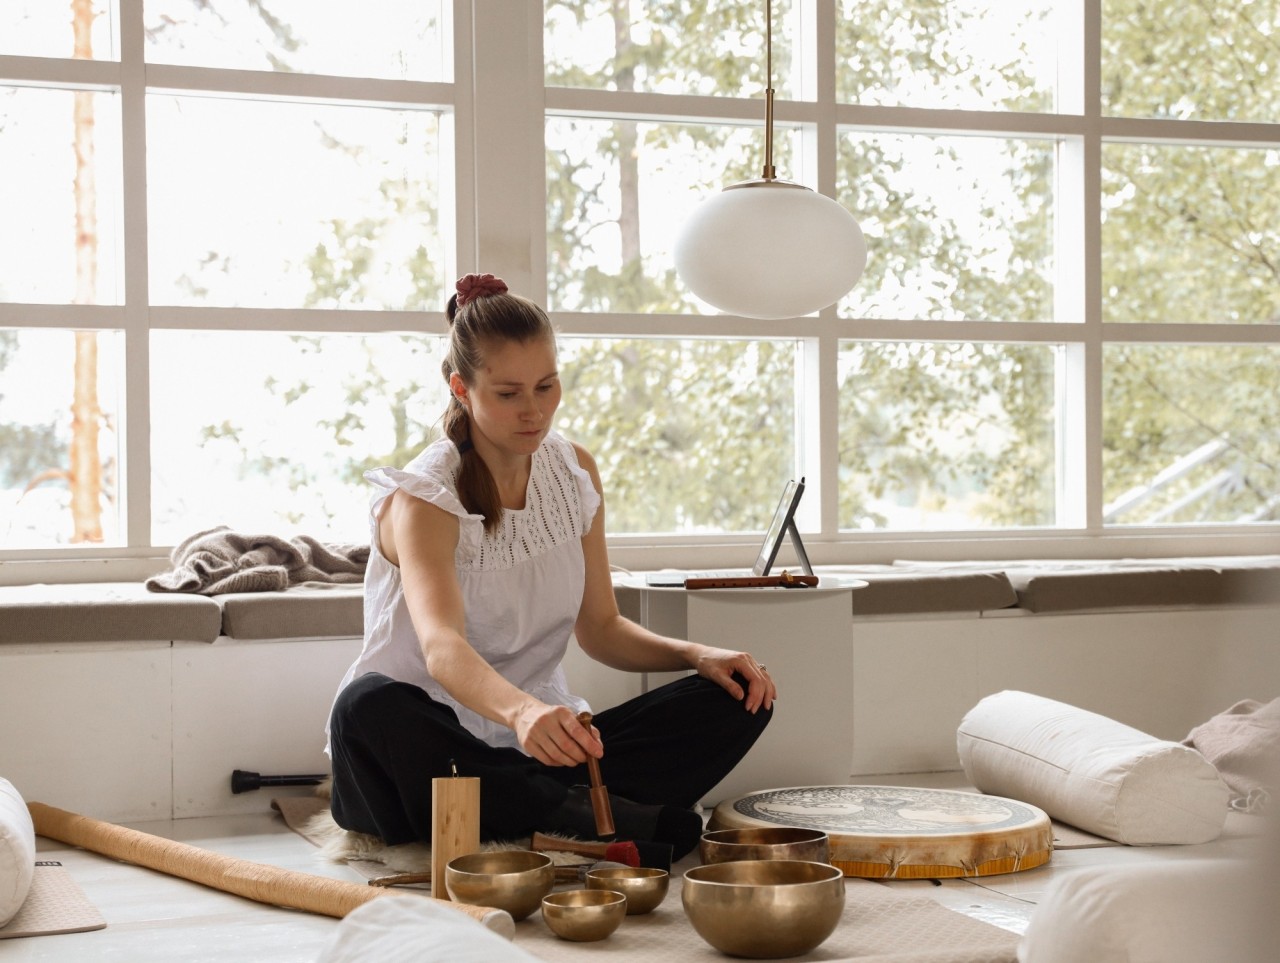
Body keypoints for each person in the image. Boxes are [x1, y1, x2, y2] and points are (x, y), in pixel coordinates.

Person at [325, 273, 775, 860]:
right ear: (461, 388)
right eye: (508, 394)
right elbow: (442, 648)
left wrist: (697, 655)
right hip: (422, 751)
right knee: (365, 706)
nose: (534, 411)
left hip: (533, 745)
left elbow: (602, 628)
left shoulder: (573, 471)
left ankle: (549, 805)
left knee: (738, 696)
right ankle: (577, 809)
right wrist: (523, 712)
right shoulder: (425, 498)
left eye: (546, 386)